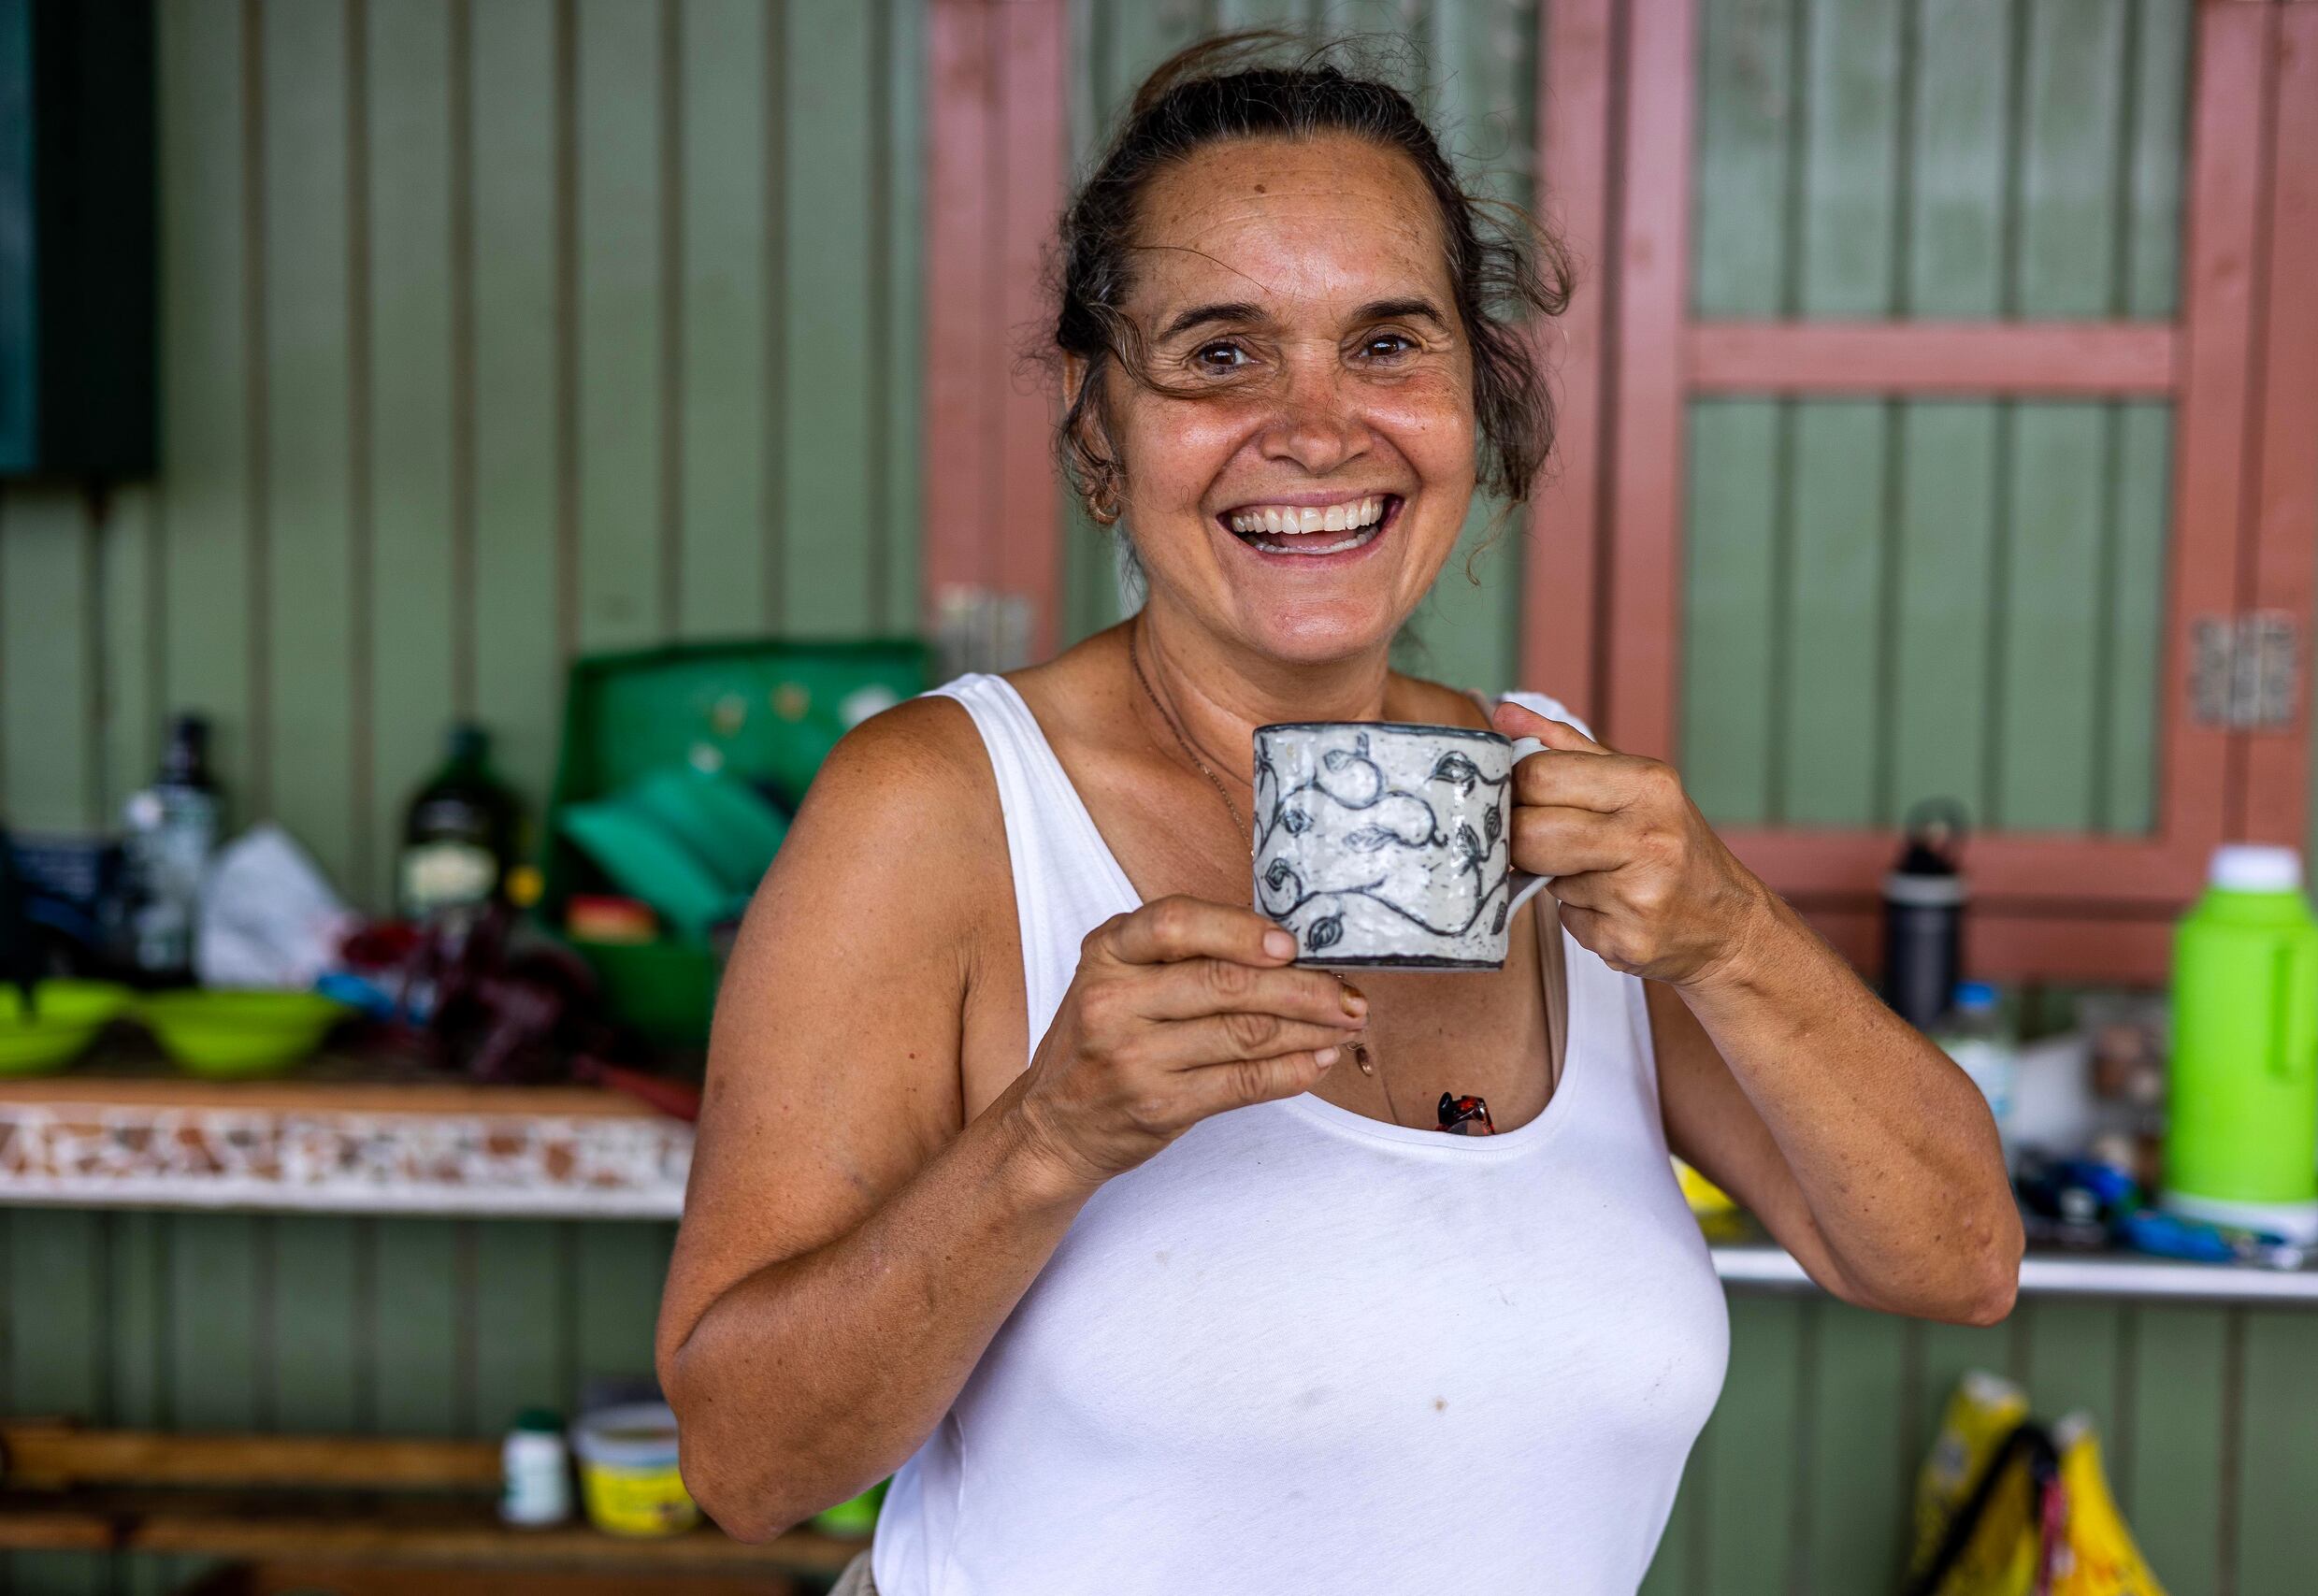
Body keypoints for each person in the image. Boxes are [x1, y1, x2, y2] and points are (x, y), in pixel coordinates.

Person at [657, 35, 2019, 1595]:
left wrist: (1731, 935)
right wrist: (1050, 1138)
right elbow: (748, 1466)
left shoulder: (1559, 797)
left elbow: (1954, 1263)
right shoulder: (945, 804)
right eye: (1221, 354)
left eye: (1388, 343)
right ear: (1101, 435)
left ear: (1477, 401)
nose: (1317, 428)